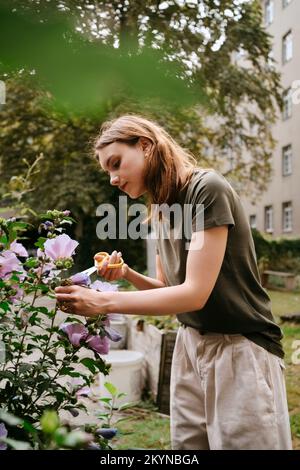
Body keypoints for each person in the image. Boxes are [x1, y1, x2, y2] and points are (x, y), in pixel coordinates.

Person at [55, 114, 292, 450]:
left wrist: (105, 302)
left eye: (116, 163)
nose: (112, 178)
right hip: (190, 345)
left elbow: (194, 294)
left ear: (146, 146)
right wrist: (126, 275)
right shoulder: (163, 211)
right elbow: (170, 291)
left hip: (239, 348)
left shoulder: (206, 189)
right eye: (107, 170)